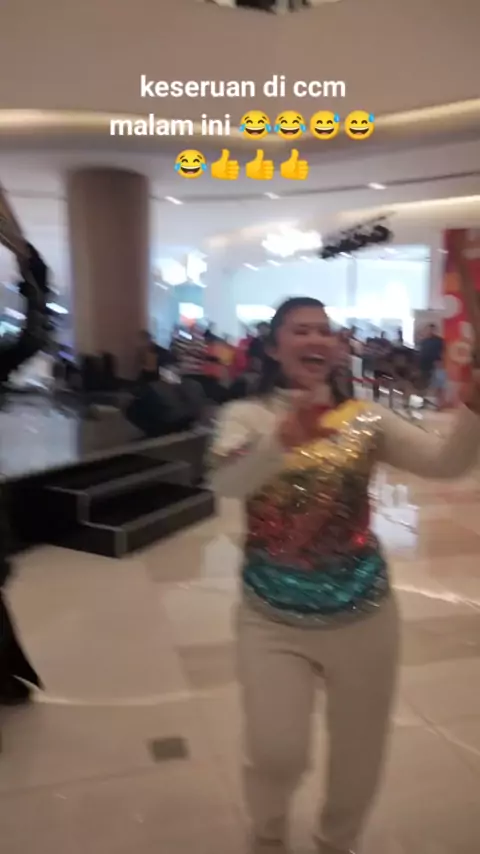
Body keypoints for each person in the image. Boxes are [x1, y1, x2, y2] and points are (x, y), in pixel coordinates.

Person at [209, 297, 480, 854]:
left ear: (337, 348)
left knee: (360, 752)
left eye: (325, 331)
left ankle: (338, 841)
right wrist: (284, 437)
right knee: (276, 751)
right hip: (271, 617)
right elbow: (226, 483)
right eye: (300, 330)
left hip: (364, 614)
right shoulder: (246, 416)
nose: (316, 339)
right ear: (274, 347)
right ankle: (267, 830)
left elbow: (445, 464)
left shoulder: (367, 419)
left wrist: (473, 406)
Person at [418, 324, 444, 391]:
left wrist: (440, 362)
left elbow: (444, 352)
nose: (430, 331)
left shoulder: (440, 341)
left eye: (432, 329)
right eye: (429, 329)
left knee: (437, 382)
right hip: (424, 364)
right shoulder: (424, 341)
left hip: (436, 364)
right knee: (425, 381)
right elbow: (422, 352)